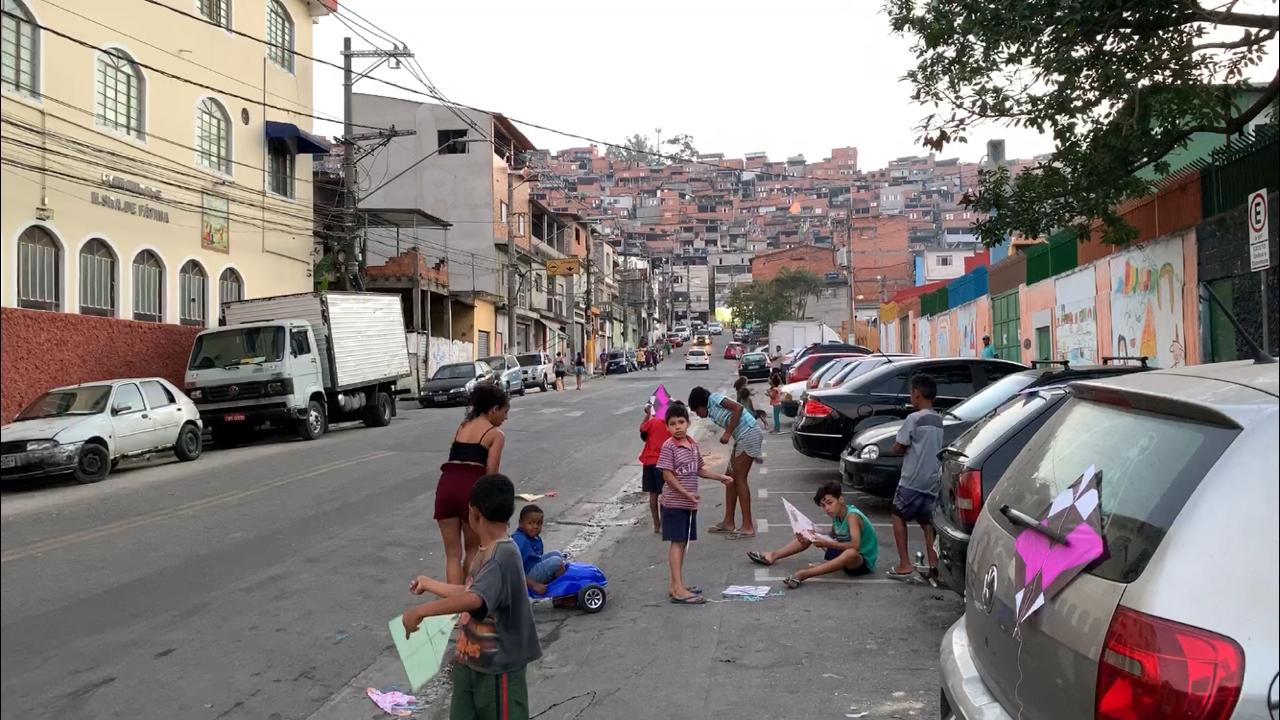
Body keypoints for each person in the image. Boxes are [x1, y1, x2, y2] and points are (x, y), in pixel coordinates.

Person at [402, 474, 541, 720]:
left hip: (498, 669)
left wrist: (421, 611)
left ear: (474, 514)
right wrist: (429, 583)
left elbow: (474, 599)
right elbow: (472, 590)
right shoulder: (486, 551)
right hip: (471, 661)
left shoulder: (503, 555)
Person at [656, 403, 734, 604]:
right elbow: (667, 475)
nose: (678, 427)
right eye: (672, 424)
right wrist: (686, 493)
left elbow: (699, 469)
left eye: (681, 422)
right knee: (677, 543)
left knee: (683, 544)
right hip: (674, 503)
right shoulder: (669, 447)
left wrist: (720, 477)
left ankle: (677, 584)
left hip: (688, 504)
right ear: (667, 427)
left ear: (688, 423)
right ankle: (677, 588)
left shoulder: (692, 444)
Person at [434, 383, 508, 586]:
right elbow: (490, 474)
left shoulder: (463, 425)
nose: (505, 418)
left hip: (446, 486)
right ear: (494, 409)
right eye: (504, 411)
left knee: (452, 554)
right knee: (473, 549)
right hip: (470, 489)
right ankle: (468, 603)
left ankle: (452, 607)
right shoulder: (495, 435)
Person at [746, 481, 879, 588]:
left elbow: (855, 545)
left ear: (841, 499)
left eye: (829, 503)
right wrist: (810, 536)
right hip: (843, 551)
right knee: (810, 532)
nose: (827, 508)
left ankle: (804, 574)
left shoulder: (852, 516)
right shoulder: (837, 515)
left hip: (861, 561)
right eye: (823, 505)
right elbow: (834, 535)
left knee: (850, 553)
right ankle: (773, 556)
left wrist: (825, 543)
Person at [887, 374, 945, 580]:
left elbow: (900, 445)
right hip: (931, 481)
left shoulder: (914, 419)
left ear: (917, 394)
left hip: (912, 479)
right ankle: (933, 566)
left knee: (898, 515)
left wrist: (892, 449)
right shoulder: (938, 420)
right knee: (927, 523)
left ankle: (904, 564)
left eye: (911, 393)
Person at [688, 385, 765, 538]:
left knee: (739, 479)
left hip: (748, 434)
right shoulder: (711, 410)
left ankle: (747, 526)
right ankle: (728, 521)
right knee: (729, 478)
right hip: (742, 437)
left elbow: (738, 408)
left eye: (697, 411)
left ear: (701, 405)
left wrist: (728, 433)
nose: (698, 414)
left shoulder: (714, 399)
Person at [512, 504, 566, 595]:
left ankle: (558, 591)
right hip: (525, 575)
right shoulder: (519, 540)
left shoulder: (534, 538)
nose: (535, 526)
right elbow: (513, 570)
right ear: (521, 523)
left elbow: (538, 556)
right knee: (557, 562)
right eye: (531, 523)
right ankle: (562, 595)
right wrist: (534, 585)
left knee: (556, 553)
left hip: (532, 566)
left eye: (539, 523)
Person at [639, 401, 672, 533]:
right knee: (664, 493)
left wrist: (647, 415)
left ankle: (656, 525)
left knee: (653, 494)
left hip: (649, 461)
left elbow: (642, 430)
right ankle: (665, 524)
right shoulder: (670, 425)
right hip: (663, 463)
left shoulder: (653, 422)